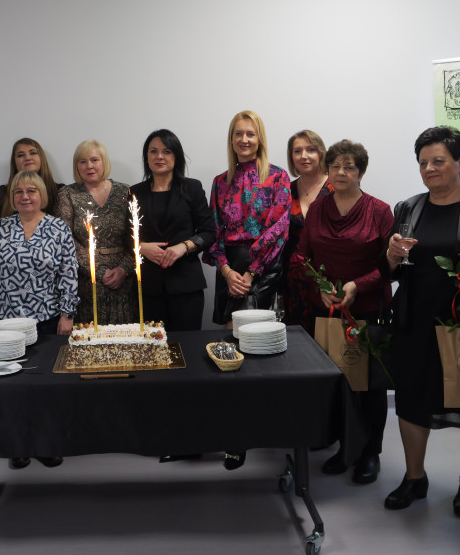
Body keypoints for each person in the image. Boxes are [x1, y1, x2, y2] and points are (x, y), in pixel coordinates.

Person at [381, 125, 460, 516]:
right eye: (423, 162)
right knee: (411, 400)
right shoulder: (408, 208)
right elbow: (392, 271)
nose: (430, 168)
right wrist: (392, 257)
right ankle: (414, 477)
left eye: (438, 161)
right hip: (414, 318)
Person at [291, 140, 393, 484]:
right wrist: (319, 286)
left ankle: (371, 453)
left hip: (368, 310)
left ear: (361, 172)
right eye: (335, 166)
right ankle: (346, 447)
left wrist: (356, 286)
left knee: (371, 387)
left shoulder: (380, 210)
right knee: (340, 385)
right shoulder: (318, 210)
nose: (341, 172)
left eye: (349, 166)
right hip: (328, 311)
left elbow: (389, 267)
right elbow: (300, 258)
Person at [202, 110, 290, 471]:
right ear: (231, 139)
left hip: (264, 269)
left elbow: (279, 229)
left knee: (260, 353)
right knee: (231, 354)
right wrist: (225, 270)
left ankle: (266, 430)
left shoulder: (279, 177)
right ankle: (235, 437)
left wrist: (251, 273)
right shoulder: (220, 182)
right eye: (238, 134)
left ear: (260, 138)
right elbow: (213, 233)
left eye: (250, 134)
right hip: (229, 270)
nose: (244, 140)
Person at [0, 170, 78, 470]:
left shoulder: (57, 228)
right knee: (12, 385)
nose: (25, 196)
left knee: (46, 385)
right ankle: (18, 445)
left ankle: (46, 443)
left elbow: (69, 273)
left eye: (31, 191)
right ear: (12, 198)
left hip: (49, 319)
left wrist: (68, 314)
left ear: (41, 196)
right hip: (8, 324)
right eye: (19, 192)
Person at [129, 129, 215, 331]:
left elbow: (209, 232)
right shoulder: (135, 192)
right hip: (147, 287)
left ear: (176, 156)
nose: (159, 156)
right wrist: (141, 247)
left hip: (186, 285)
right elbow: (126, 236)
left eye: (167, 151)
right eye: (153, 151)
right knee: (151, 351)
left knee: (187, 350)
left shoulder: (192, 188)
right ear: (146, 157)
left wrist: (183, 247)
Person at [54, 140, 135, 326]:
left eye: (94, 160)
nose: (89, 166)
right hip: (86, 284)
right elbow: (65, 239)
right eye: (82, 161)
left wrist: (125, 268)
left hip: (124, 282)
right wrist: (97, 271)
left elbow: (137, 235)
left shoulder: (126, 191)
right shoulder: (67, 194)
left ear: (104, 162)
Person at [281, 129, 334, 327]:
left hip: (328, 279)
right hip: (292, 280)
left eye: (310, 149)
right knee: (296, 345)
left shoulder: (337, 187)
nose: (304, 156)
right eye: (297, 151)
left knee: (329, 342)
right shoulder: (285, 190)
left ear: (321, 153)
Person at [0, 138, 62, 233]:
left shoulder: (60, 192)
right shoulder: (2, 194)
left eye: (33, 153)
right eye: (21, 155)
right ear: (15, 163)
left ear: (41, 157)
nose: (27, 158)